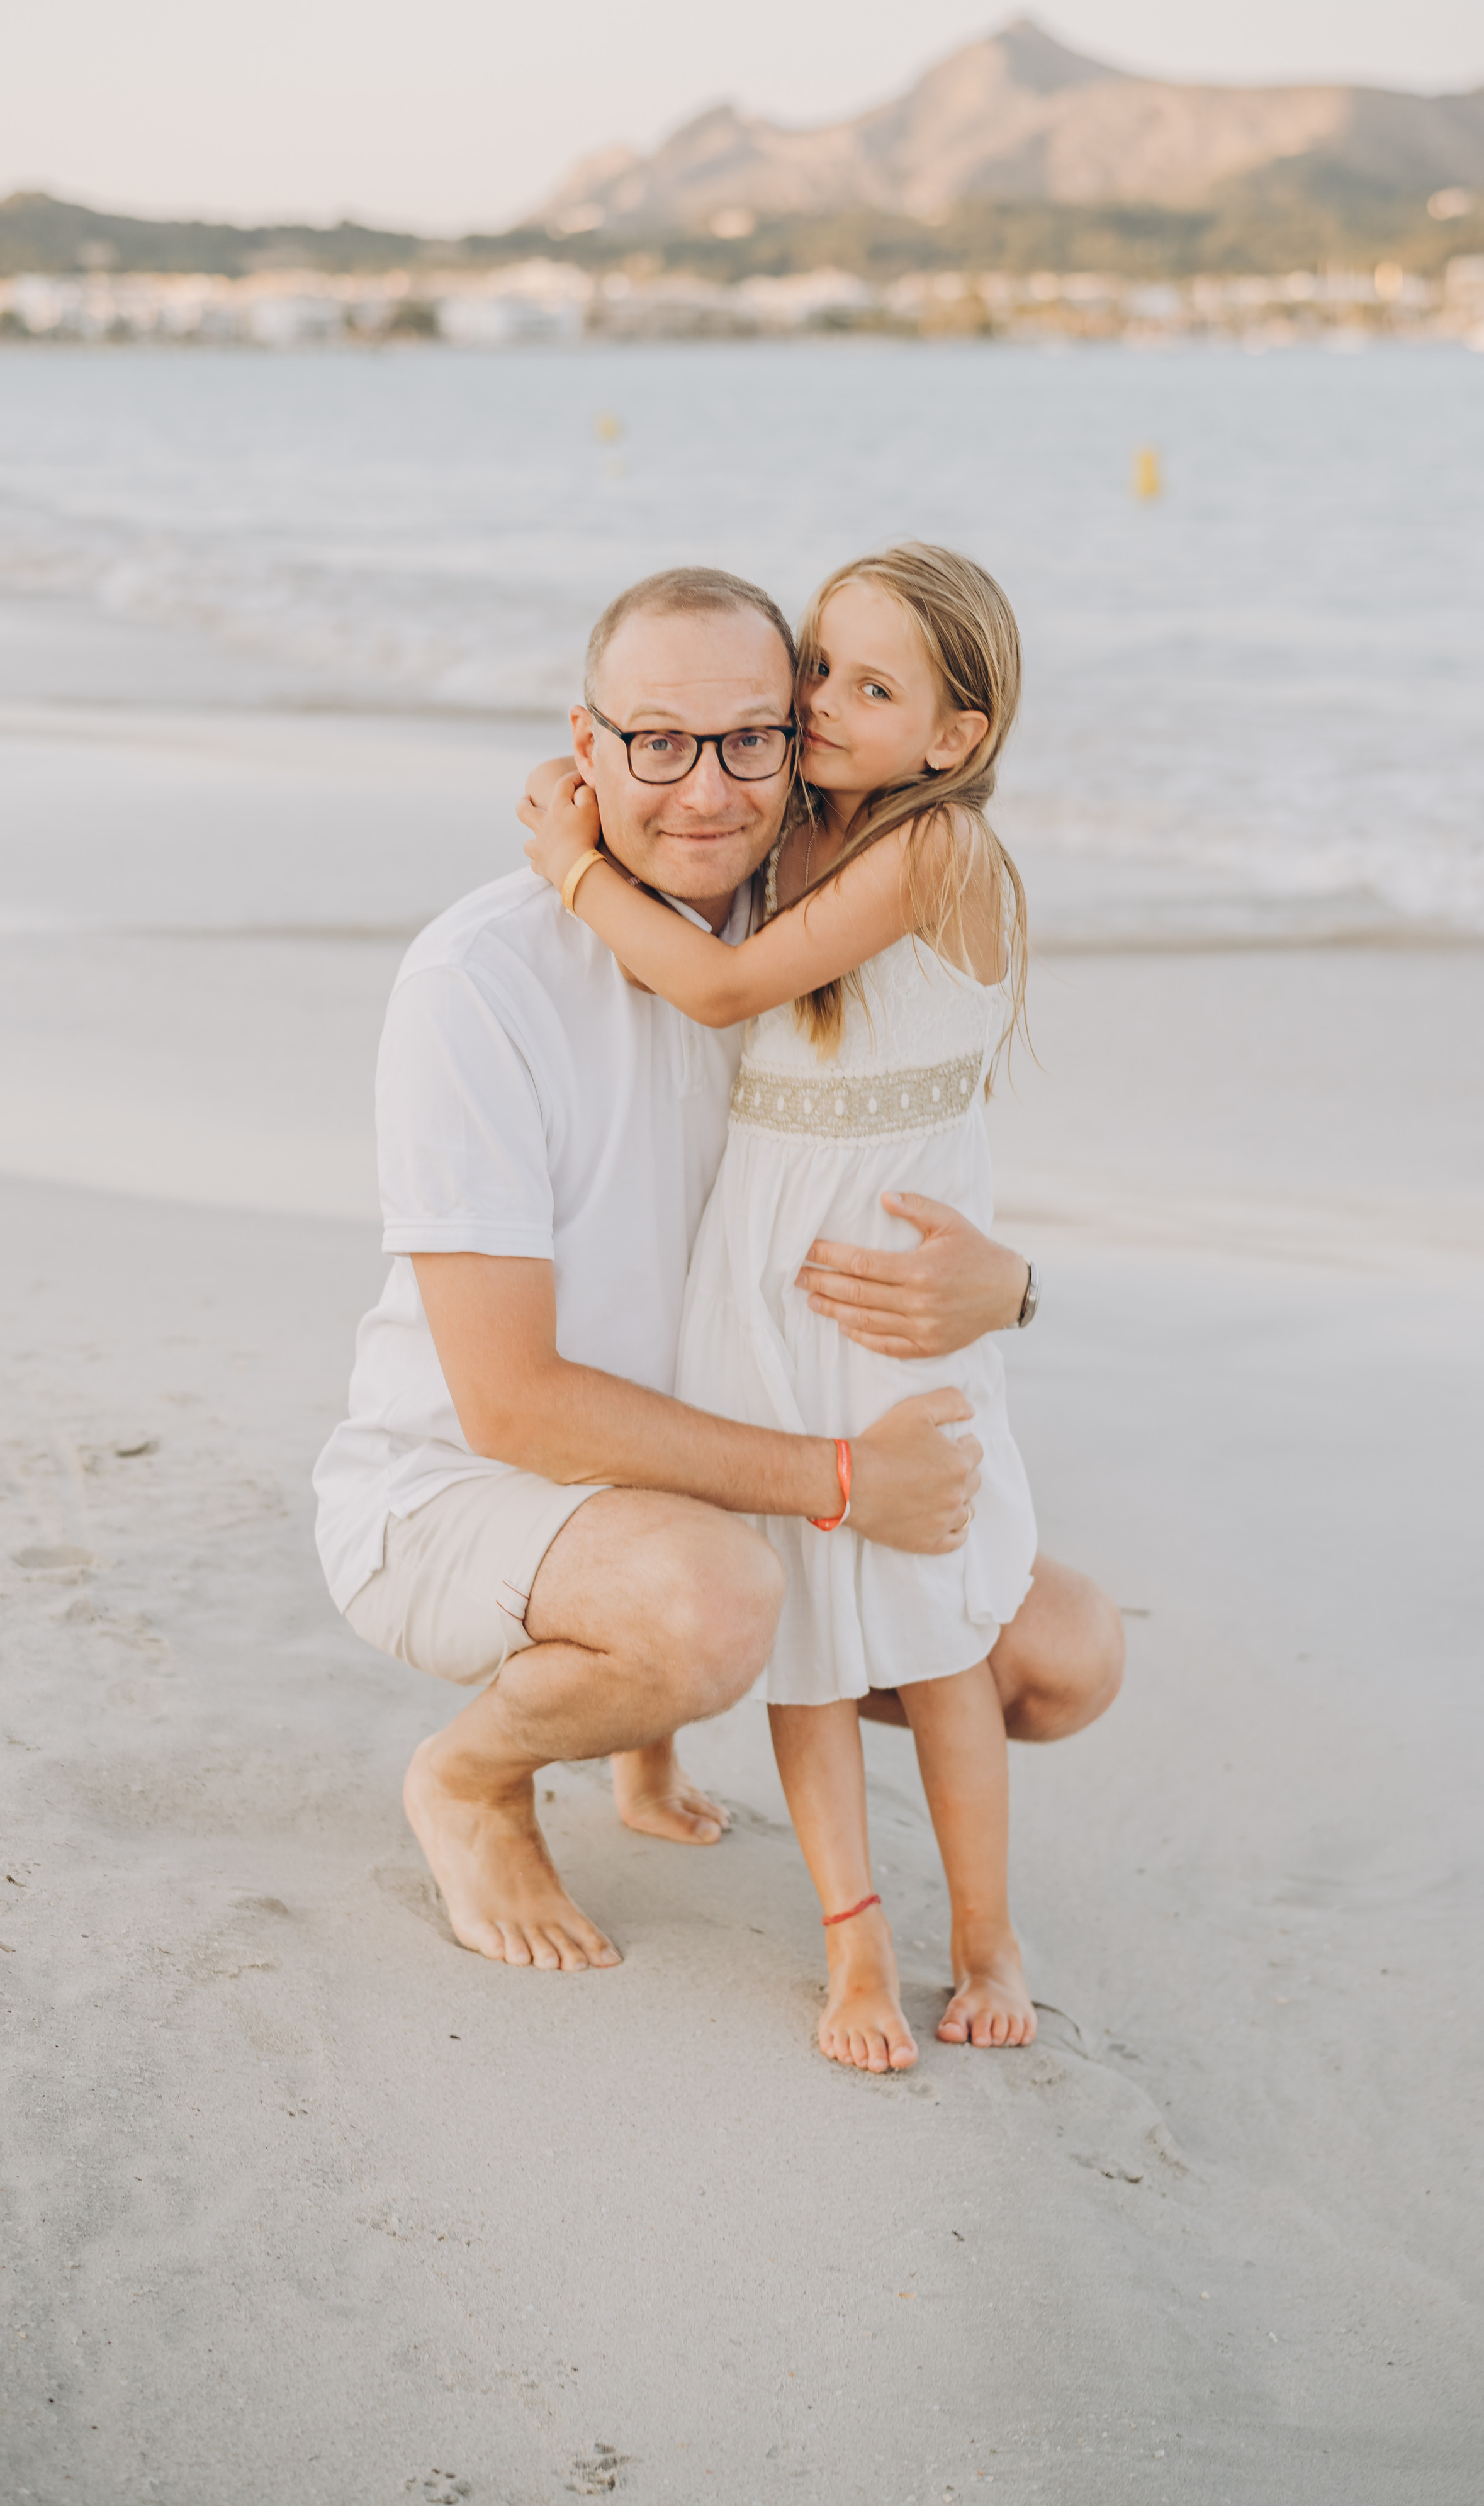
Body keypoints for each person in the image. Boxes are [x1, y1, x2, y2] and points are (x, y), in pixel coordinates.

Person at [314, 565, 1122, 1977]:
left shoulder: (816, 904)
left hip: (700, 1454)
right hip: (461, 1490)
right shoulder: (480, 980)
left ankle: (646, 1732)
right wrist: (848, 1482)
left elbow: (910, 1150)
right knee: (712, 1602)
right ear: (587, 748)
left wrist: (1008, 1289)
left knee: (1060, 1654)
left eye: (752, 735)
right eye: (657, 742)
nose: (706, 787)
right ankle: (471, 1775)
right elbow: (511, 1405)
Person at [522, 544, 1055, 2068]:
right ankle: (853, 1942)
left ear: (953, 737)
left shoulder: (938, 846)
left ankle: (982, 1928)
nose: (816, 703)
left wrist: (571, 870)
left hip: (890, 1293)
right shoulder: (794, 827)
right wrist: (609, 802)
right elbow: (679, 795)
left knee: (938, 1630)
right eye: (819, 664)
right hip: (760, 1283)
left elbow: (717, 989)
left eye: (870, 687)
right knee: (811, 1630)